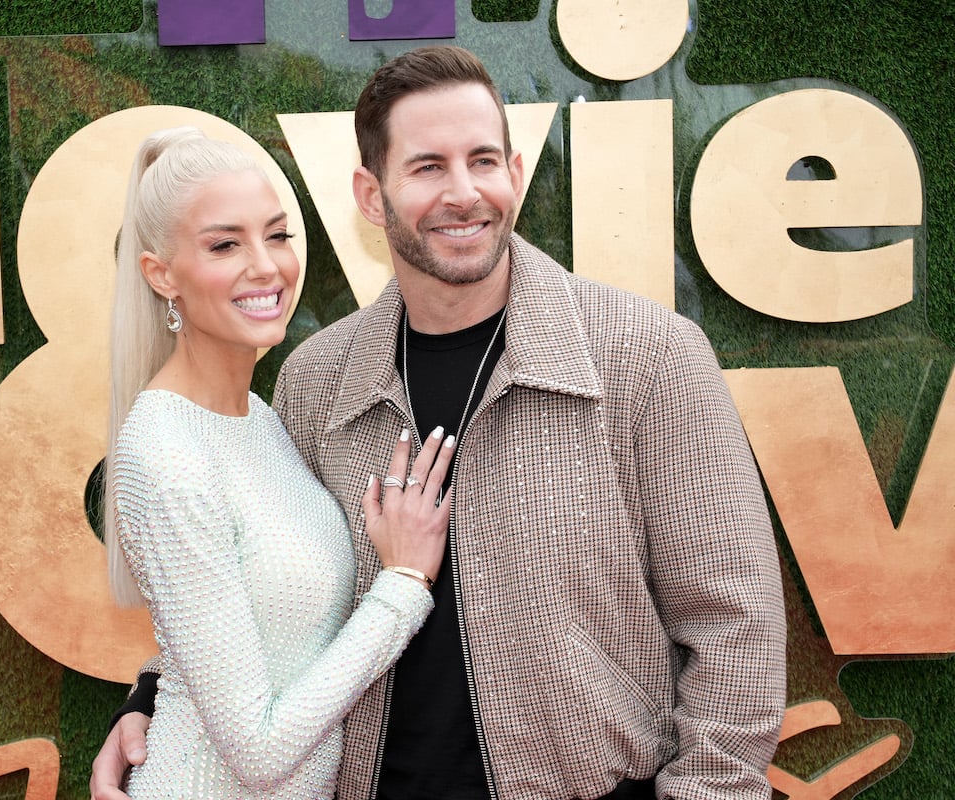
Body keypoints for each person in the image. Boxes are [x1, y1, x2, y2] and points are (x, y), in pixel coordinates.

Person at [93, 47, 787, 800]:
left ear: (514, 173)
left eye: (483, 160)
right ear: (370, 193)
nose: (464, 193)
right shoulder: (316, 381)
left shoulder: (647, 359)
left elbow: (736, 633)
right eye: (428, 168)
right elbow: (263, 580)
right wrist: (153, 699)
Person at [101, 127, 457, 800]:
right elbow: (259, 750)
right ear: (161, 274)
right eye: (225, 244)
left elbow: (258, 635)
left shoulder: (261, 416)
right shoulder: (165, 454)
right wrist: (406, 583)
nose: (265, 266)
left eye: (278, 235)